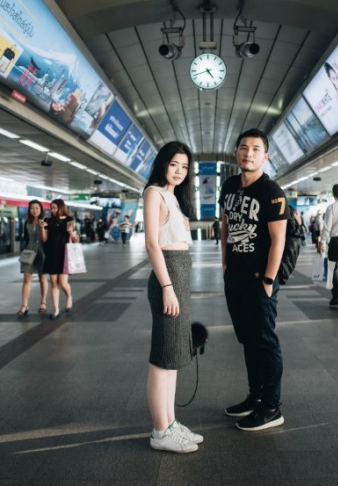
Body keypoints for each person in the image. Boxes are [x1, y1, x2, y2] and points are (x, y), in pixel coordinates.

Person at [220, 128, 288, 431]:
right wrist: (224, 262)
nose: (249, 153)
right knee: (247, 340)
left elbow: (278, 240)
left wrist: (269, 280)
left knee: (264, 341)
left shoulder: (272, 192)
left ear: (266, 155)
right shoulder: (230, 185)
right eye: (244, 147)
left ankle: (272, 407)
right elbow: (224, 225)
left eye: (256, 149)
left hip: (260, 278)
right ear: (236, 152)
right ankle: (255, 396)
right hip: (234, 276)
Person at [143, 141, 202, 454]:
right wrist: (167, 286)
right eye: (174, 164)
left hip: (179, 276)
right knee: (163, 357)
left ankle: (171, 423)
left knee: (175, 354)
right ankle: (159, 430)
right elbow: (152, 244)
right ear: (163, 164)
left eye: (185, 166)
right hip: (168, 277)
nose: (179, 171)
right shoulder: (153, 192)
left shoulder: (175, 197)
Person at [43, 199, 77, 319]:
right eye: (51, 208)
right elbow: (45, 239)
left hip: (64, 254)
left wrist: (71, 233)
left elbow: (76, 239)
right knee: (53, 282)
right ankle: (56, 310)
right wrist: (43, 228)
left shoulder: (69, 220)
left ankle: (69, 297)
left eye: (55, 208)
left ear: (61, 208)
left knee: (62, 283)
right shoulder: (48, 221)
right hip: (51, 254)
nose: (52, 210)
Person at [17, 200, 49, 318]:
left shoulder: (46, 221)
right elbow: (25, 238)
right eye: (32, 208)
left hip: (42, 251)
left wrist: (42, 228)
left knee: (42, 278)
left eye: (37, 208)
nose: (34, 210)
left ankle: (43, 302)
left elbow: (45, 240)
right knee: (26, 278)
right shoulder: (27, 222)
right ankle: (24, 305)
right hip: (29, 251)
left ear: (40, 209)